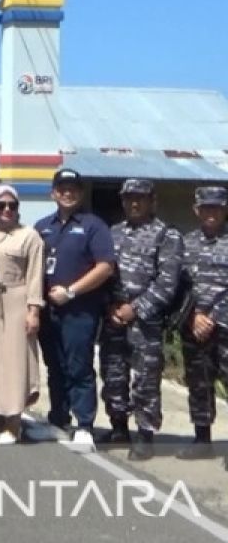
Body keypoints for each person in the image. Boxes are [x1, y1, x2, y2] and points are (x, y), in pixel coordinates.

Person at [99, 179, 182, 461]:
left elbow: (167, 283)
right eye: (129, 198)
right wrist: (111, 306)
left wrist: (136, 309)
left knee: (145, 379)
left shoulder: (166, 236)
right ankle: (118, 426)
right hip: (114, 317)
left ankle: (145, 434)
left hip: (145, 322)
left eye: (141, 198)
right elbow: (104, 272)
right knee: (113, 374)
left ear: (152, 201)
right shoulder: (113, 233)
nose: (134, 203)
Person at [34, 169, 116, 451]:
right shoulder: (42, 226)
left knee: (79, 367)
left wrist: (71, 292)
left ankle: (84, 425)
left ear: (81, 193)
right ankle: (58, 419)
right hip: (48, 311)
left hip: (80, 310)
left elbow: (105, 267)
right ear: (53, 192)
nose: (67, 193)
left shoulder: (94, 226)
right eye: (62, 188)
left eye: (73, 189)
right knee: (54, 366)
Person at [0, 185, 44, 444]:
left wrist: (33, 310)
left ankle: (13, 422)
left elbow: (35, 275)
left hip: (16, 300)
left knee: (14, 362)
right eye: (0, 205)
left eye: (12, 206)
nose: (6, 210)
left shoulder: (29, 236)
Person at [176, 186, 228, 463]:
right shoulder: (186, 243)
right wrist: (195, 315)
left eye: (217, 207)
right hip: (195, 326)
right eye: (206, 207)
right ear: (196, 210)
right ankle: (202, 439)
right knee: (199, 384)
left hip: (225, 326)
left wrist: (214, 316)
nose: (211, 212)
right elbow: (179, 286)